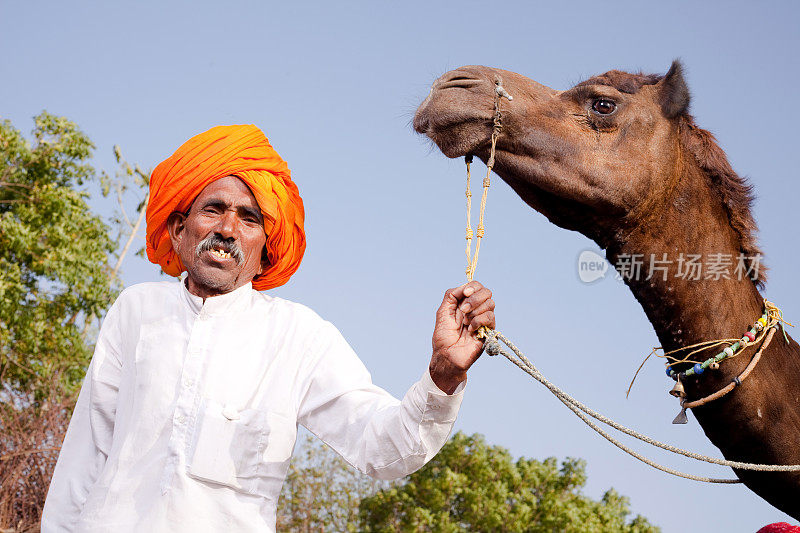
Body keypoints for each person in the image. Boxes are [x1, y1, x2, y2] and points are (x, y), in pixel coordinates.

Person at [41, 125, 496, 532]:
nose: (227, 229)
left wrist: (443, 375)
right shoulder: (136, 310)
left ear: (267, 248)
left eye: (249, 218)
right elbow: (86, 454)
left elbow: (383, 447)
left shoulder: (299, 338)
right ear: (179, 230)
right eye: (213, 209)